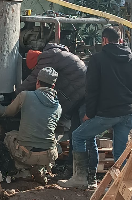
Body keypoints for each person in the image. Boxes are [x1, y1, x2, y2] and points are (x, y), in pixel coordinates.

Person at [58, 26, 132, 189]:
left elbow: (91, 89)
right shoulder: (130, 57)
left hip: (107, 112)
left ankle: (80, 178)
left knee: (78, 136)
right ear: (120, 40)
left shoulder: (98, 59)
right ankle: (123, 187)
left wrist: (89, 114)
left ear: (104, 40)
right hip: (127, 112)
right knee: (120, 153)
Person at [16, 43, 98, 185]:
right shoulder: (58, 54)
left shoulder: (48, 56)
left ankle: (90, 177)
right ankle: (75, 173)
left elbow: (34, 79)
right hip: (81, 97)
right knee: (76, 135)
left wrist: (15, 95)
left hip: (85, 96)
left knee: (86, 136)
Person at [2, 67, 62, 185]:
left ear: (38, 82)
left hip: (27, 155)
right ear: (53, 86)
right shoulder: (58, 106)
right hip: (48, 155)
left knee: (9, 136)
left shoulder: (25, 95)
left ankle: (23, 170)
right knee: (54, 141)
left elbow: (8, 112)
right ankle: (42, 168)